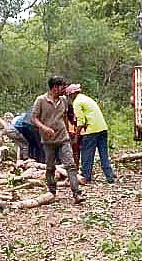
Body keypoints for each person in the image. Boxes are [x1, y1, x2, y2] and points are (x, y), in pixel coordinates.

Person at [31, 76, 85, 204]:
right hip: (48, 140)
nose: (64, 89)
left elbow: (65, 117)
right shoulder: (40, 100)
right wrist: (44, 129)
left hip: (63, 138)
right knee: (50, 167)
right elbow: (34, 118)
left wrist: (69, 132)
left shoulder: (64, 100)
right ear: (55, 88)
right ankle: (52, 191)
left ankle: (76, 193)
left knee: (70, 165)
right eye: (62, 87)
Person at [64, 83, 116, 184]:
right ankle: (109, 176)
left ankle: (86, 176)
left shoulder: (77, 102)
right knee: (103, 153)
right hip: (102, 128)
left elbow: (81, 121)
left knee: (87, 153)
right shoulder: (86, 98)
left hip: (92, 130)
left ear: (72, 94)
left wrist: (76, 136)